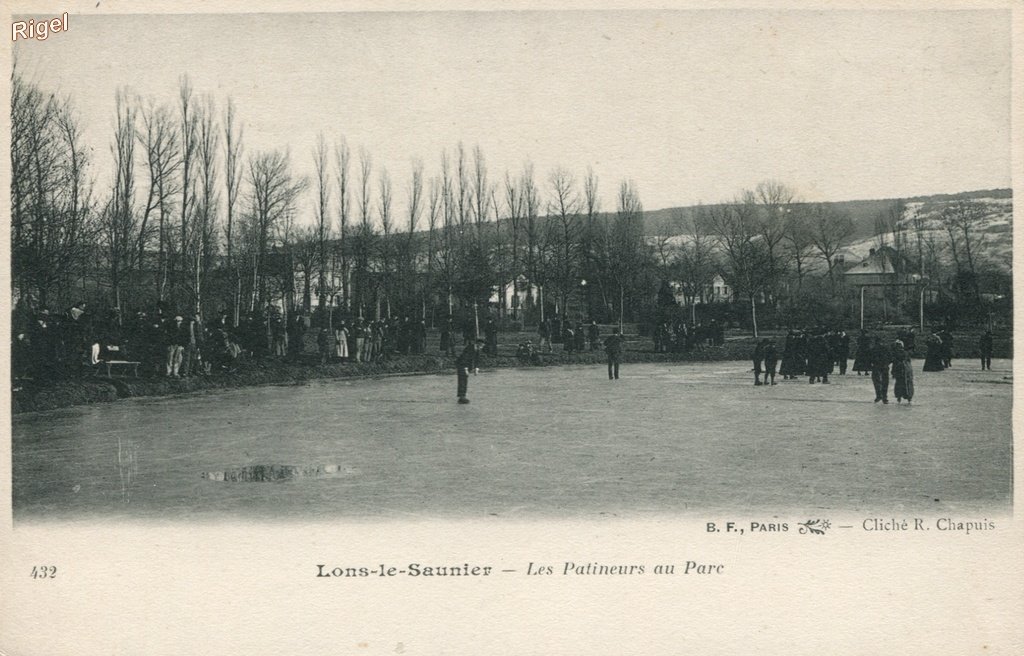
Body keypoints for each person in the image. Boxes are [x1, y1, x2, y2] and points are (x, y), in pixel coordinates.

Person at [455, 338, 482, 404]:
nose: (482, 347)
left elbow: (477, 359)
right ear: (478, 344)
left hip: (466, 366)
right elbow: (464, 358)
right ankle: (461, 397)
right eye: (482, 345)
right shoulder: (470, 348)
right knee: (462, 380)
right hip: (461, 365)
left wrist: (476, 368)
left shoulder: (477, 349)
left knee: (465, 380)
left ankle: (462, 396)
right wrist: (465, 368)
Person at [891, 340, 914, 405]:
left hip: (901, 369)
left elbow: (894, 363)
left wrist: (893, 372)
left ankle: (900, 397)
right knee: (907, 383)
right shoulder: (906, 353)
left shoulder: (896, 354)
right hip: (906, 369)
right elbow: (909, 361)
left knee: (900, 383)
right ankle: (908, 397)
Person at [869, 337, 891, 404]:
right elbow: (891, 357)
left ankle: (878, 396)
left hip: (876, 366)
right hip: (885, 366)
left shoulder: (873, 349)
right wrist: (887, 363)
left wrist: (872, 365)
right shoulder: (886, 349)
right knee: (885, 382)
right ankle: (885, 397)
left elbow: (869, 358)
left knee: (877, 382)